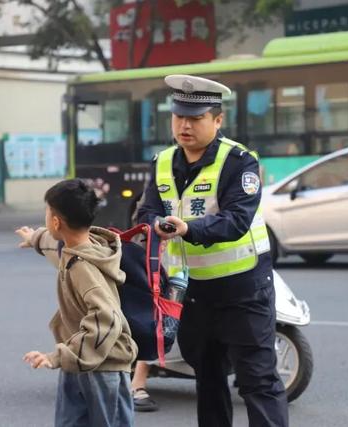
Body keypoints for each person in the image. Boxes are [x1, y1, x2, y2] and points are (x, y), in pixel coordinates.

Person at [137, 74, 289, 427]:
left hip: (243, 290)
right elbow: (147, 211)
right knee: (207, 378)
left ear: (217, 120)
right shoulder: (162, 161)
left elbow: (236, 219)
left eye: (196, 118)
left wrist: (189, 228)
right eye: (179, 117)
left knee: (258, 381)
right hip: (193, 293)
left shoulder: (239, 162)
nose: (185, 126)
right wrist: (155, 224)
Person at [15, 178, 137, 427]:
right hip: (79, 362)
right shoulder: (80, 246)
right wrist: (35, 238)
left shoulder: (82, 266)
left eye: (47, 213)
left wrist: (59, 356)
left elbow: (108, 318)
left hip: (105, 367)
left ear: (56, 221)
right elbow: (55, 242)